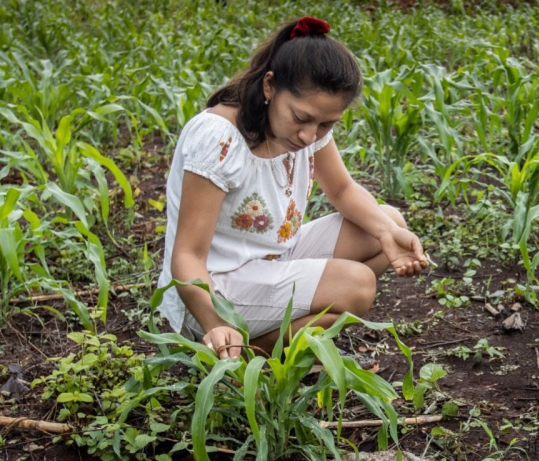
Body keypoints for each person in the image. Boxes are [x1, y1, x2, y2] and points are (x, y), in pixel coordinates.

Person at [157, 17, 428, 361]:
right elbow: (188, 255)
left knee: (387, 222)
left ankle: (270, 339)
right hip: (215, 289)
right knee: (357, 285)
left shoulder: (305, 130)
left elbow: (343, 190)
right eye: (302, 119)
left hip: (272, 258)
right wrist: (215, 322)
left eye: (326, 124)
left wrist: (388, 233)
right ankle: (241, 348)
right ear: (270, 86)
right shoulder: (220, 139)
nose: (309, 136)